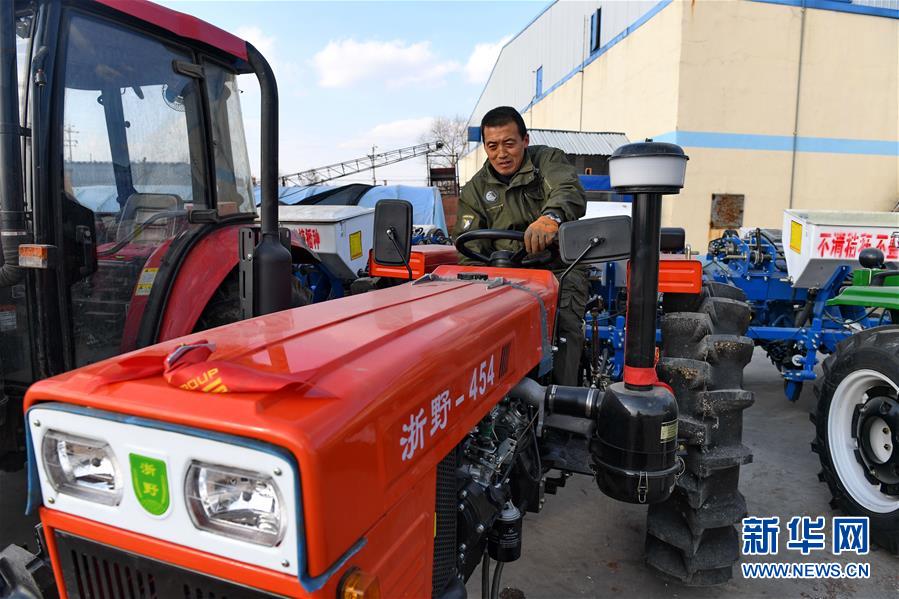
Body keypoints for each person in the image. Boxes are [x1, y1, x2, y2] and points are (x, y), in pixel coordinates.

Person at [452, 106, 588, 386]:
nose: (501, 154)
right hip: (503, 275)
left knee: (564, 323)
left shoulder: (547, 161)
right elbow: (470, 252)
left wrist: (550, 218)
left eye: (509, 144)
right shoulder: (475, 190)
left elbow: (568, 191)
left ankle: (565, 401)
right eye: (492, 146)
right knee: (470, 325)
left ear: (525, 141)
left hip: (556, 268)